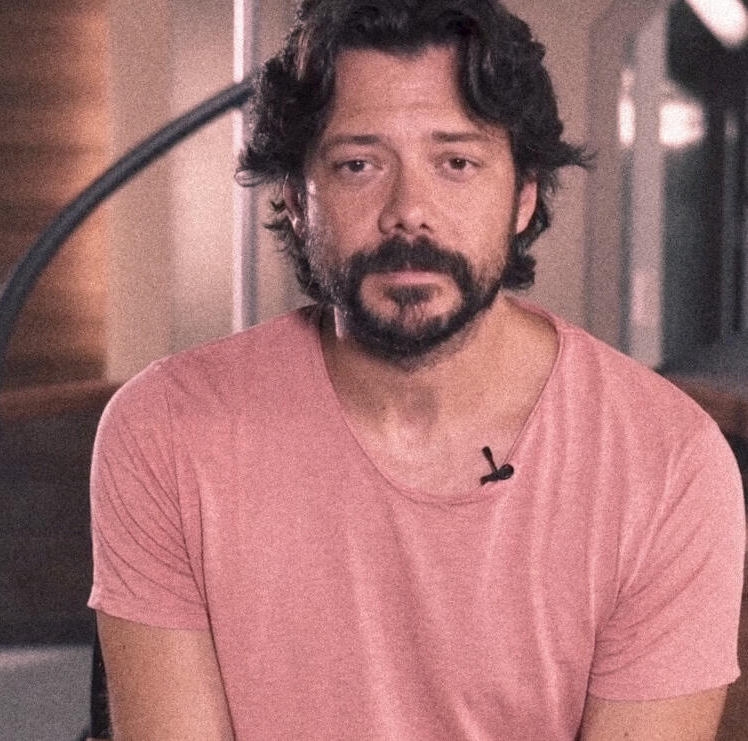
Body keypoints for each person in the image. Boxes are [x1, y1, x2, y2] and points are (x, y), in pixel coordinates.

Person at [87, 0, 746, 738]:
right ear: (296, 199)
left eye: (456, 163)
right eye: (359, 165)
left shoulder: (667, 463)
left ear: (524, 195)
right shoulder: (167, 431)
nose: (409, 211)